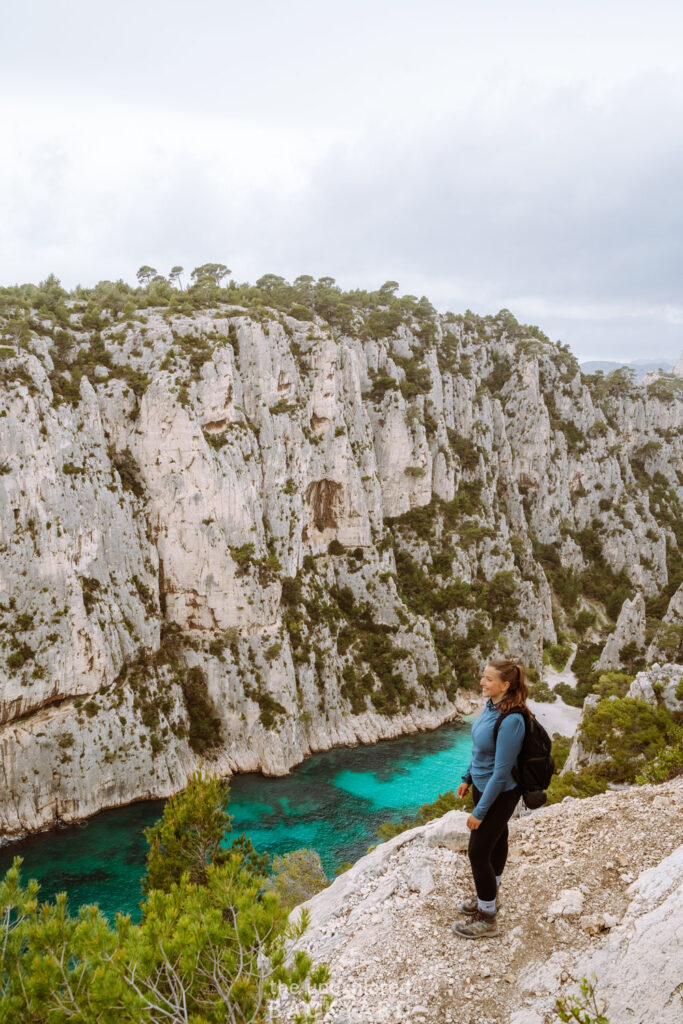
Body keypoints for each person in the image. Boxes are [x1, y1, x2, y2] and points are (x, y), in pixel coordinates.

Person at [451, 658, 528, 939]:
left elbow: (501, 771)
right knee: (497, 842)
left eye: (488, 679)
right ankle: (490, 896)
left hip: (501, 792)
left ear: (505, 685)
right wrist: (467, 778)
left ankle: (487, 917)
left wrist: (480, 812)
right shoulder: (490, 707)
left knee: (478, 852)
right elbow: (480, 752)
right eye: (483, 677)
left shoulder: (513, 720)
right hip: (483, 786)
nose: (482, 683)